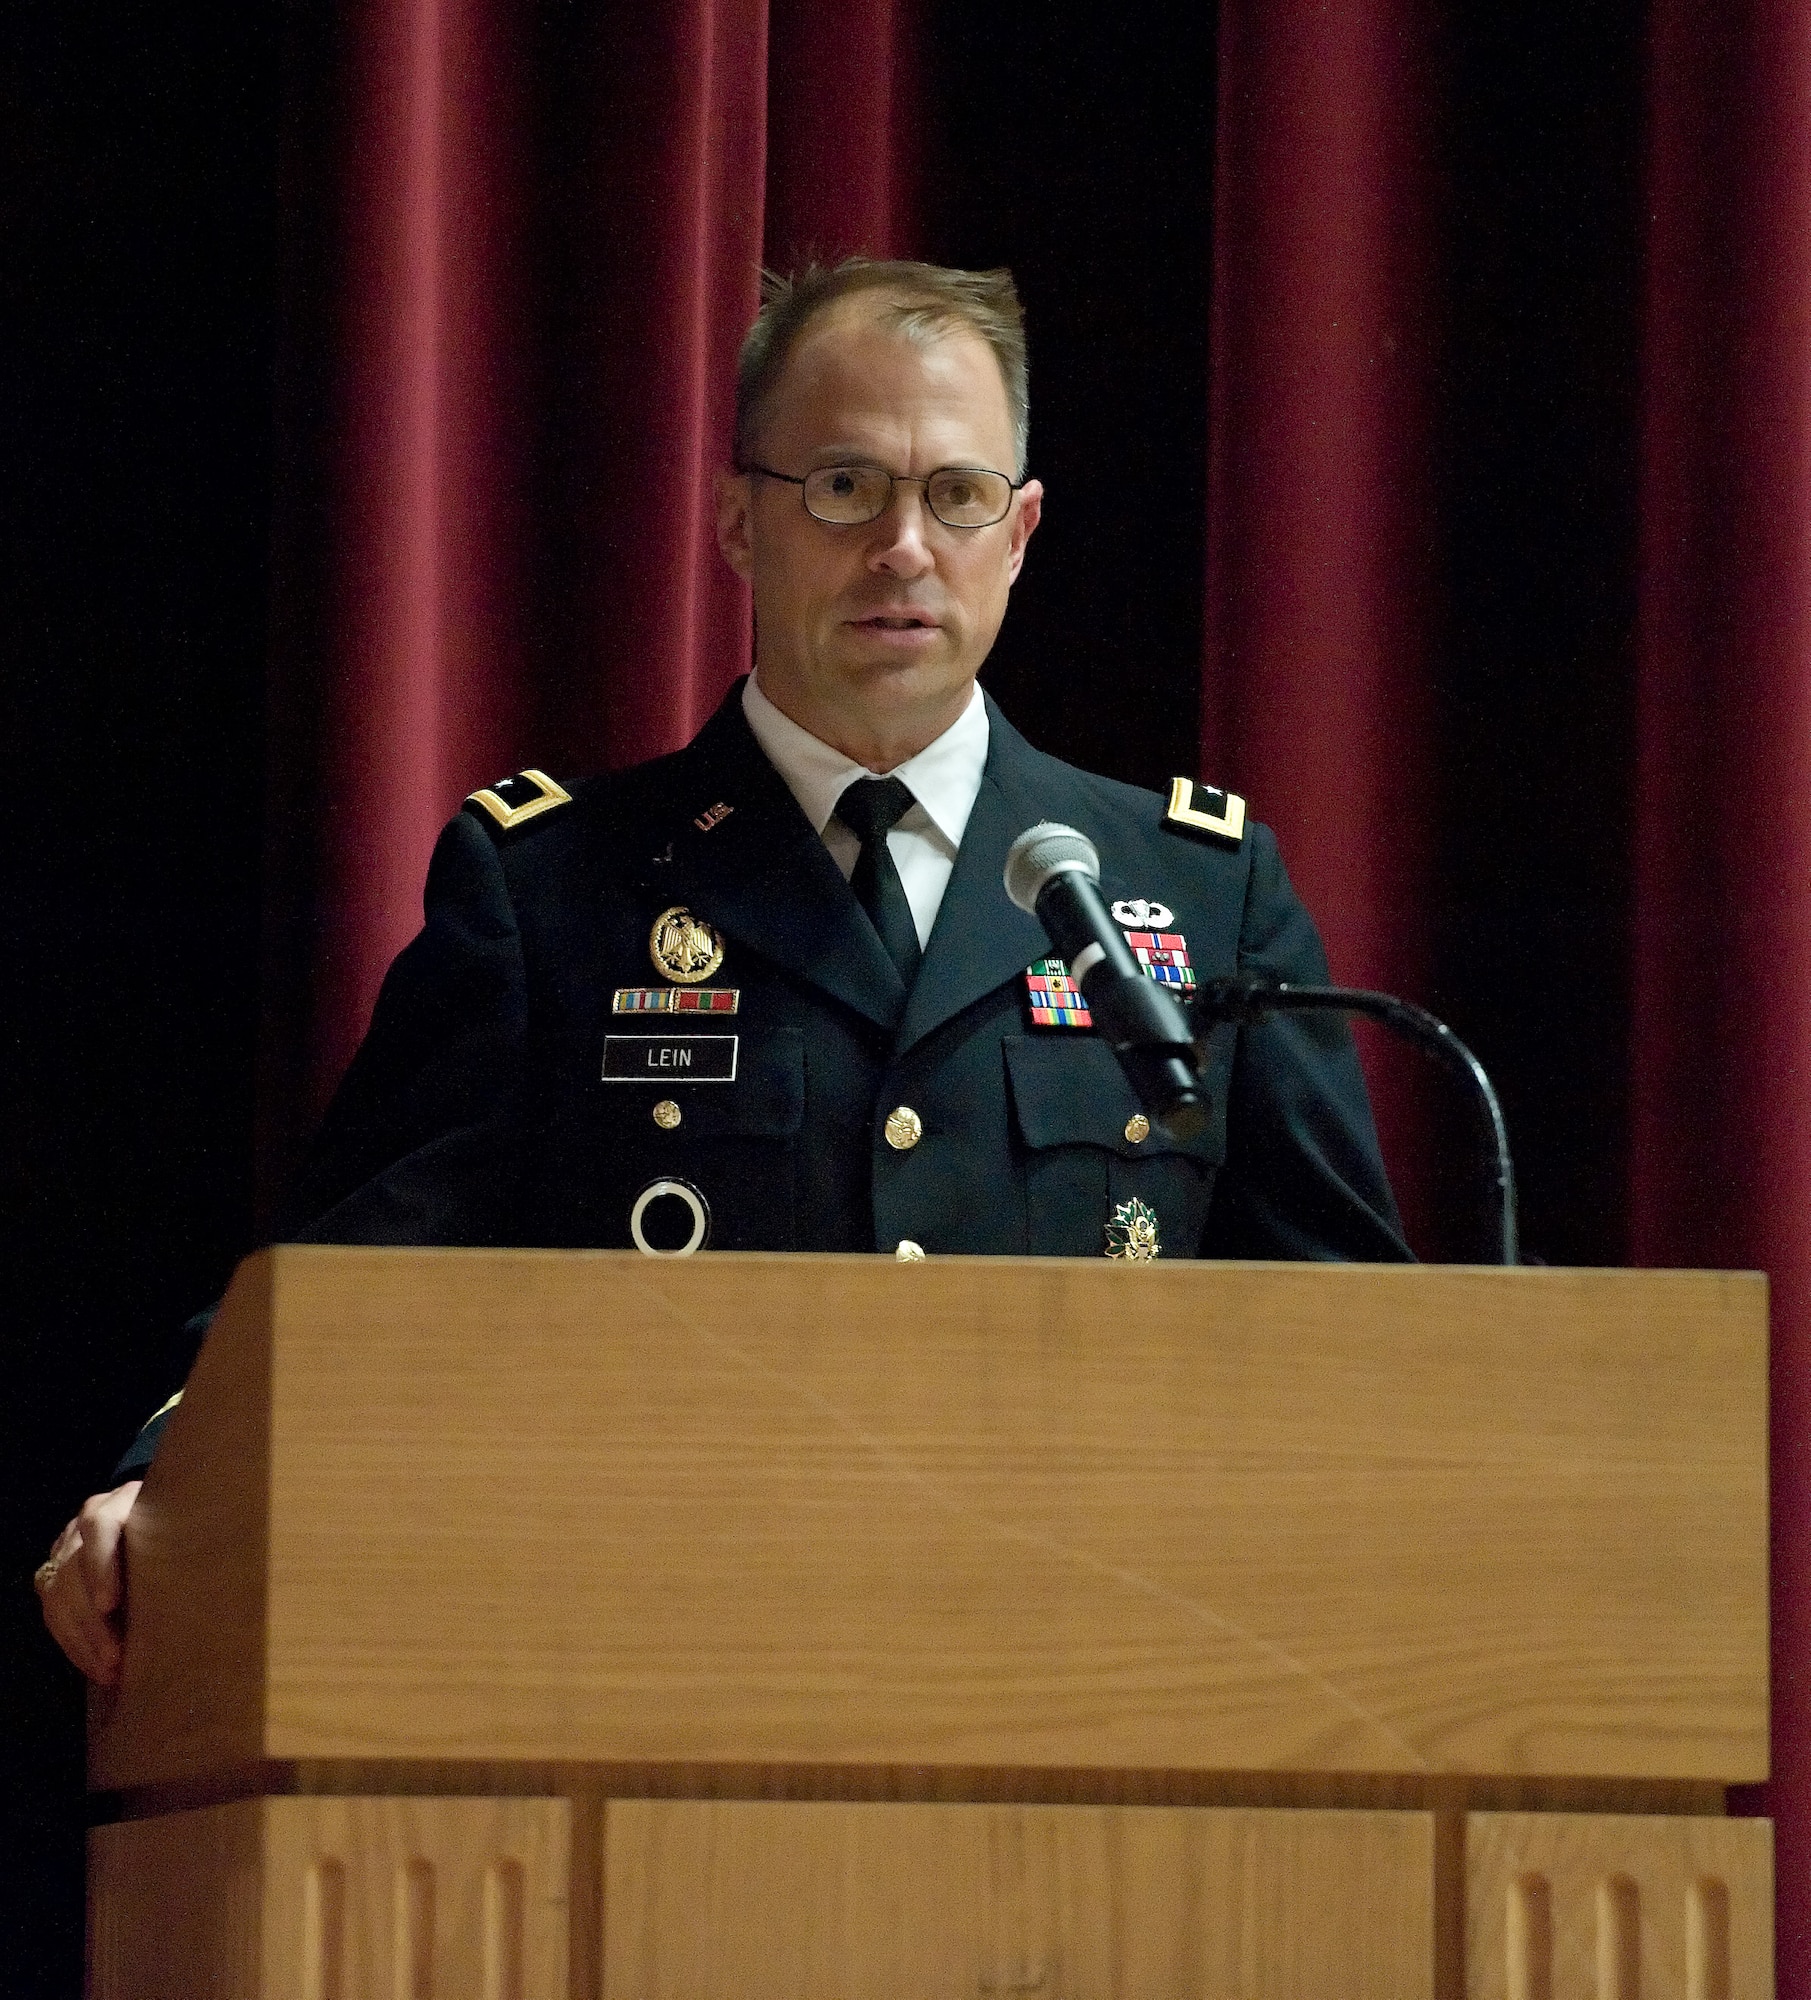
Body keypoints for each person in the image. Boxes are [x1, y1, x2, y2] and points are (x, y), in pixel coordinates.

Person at [38, 257, 1409, 1683]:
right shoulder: (554, 888)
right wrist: (168, 1483)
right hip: (669, 1662)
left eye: (955, 494)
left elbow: (1351, 1334)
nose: (901, 546)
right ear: (737, 521)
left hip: (1100, 1663)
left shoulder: (1191, 886)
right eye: (841, 486)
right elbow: (351, 1280)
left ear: (1021, 531)